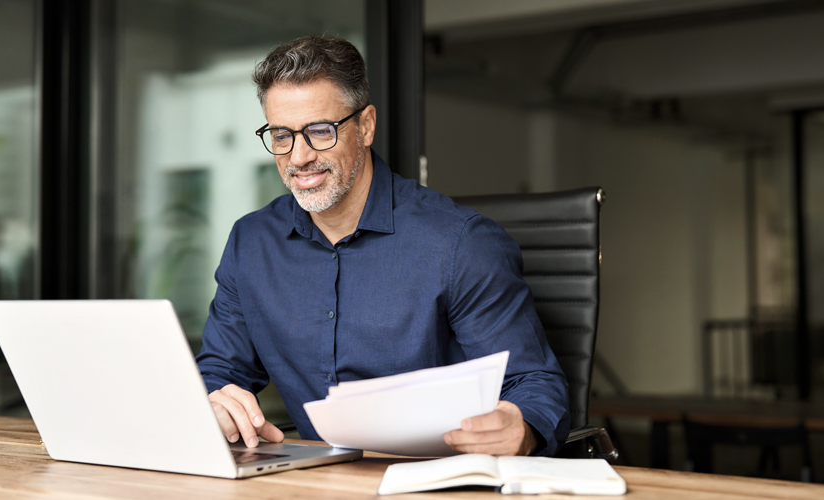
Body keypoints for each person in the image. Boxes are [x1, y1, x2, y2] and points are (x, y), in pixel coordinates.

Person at [196, 34, 570, 457]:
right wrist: (215, 403)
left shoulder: (460, 243)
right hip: (316, 481)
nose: (298, 157)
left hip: (437, 479)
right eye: (282, 135)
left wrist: (521, 428)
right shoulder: (251, 243)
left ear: (366, 125)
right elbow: (220, 372)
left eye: (320, 131)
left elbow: (533, 383)